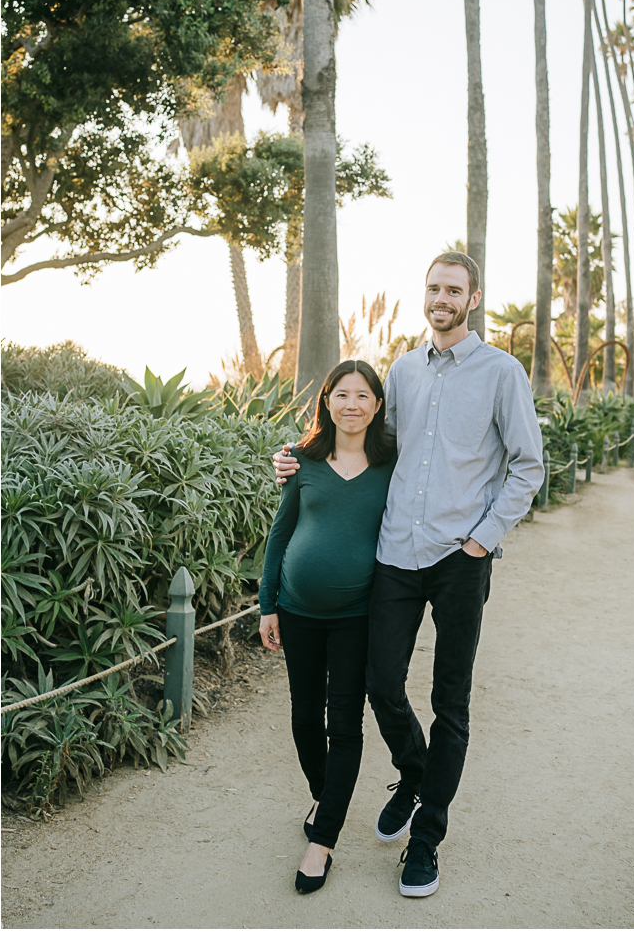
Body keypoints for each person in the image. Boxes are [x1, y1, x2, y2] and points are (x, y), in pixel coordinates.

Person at [274, 251, 544, 898]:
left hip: (459, 558)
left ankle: (426, 839)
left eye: (454, 289)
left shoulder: (501, 373)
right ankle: (414, 771)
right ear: (425, 296)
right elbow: (365, 440)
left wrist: (482, 541)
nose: (441, 298)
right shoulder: (401, 370)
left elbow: (528, 466)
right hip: (395, 553)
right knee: (379, 683)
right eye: (433, 288)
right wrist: (296, 459)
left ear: (473, 298)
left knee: (451, 700)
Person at [258, 359, 396, 894]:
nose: (353, 405)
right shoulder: (300, 461)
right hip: (296, 612)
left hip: (356, 618)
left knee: (345, 722)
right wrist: (267, 604)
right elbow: (279, 534)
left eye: (363, 395)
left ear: (377, 405)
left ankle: (323, 839)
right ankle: (326, 793)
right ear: (328, 402)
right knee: (303, 715)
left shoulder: (392, 465)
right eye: (342, 394)